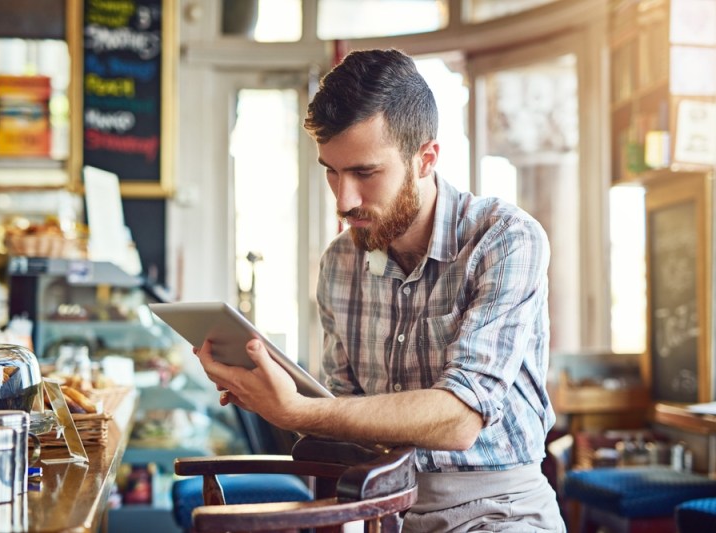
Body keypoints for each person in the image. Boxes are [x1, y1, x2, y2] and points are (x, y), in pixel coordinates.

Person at [196, 48, 565, 532]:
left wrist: (299, 409)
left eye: (365, 173)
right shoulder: (339, 263)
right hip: (383, 509)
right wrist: (270, 396)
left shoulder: (505, 240)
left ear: (425, 159)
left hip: (500, 510)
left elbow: (460, 419)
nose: (344, 200)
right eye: (331, 170)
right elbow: (346, 419)